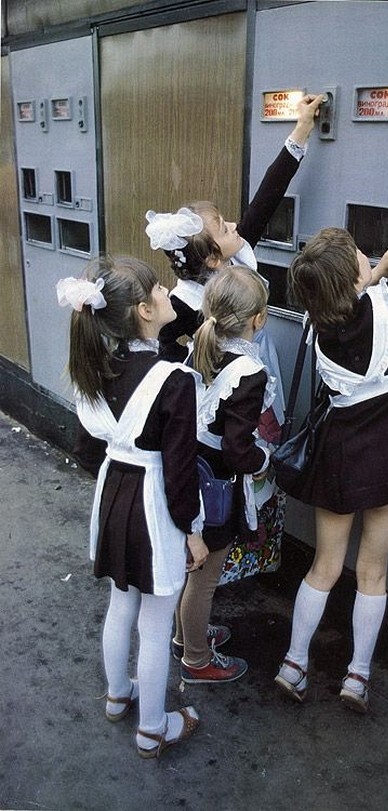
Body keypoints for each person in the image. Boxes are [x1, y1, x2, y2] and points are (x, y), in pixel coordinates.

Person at [274, 87, 388, 713]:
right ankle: (356, 676)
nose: (367, 255)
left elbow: (351, 296)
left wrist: (372, 275)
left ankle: (294, 664)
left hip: (341, 453)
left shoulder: (320, 319)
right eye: (361, 255)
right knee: (372, 572)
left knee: (324, 567)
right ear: (359, 275)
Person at [57, 256, 209, 758]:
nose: (167, 292)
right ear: (144, 310)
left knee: (121, 603)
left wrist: (120, 476)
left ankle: (118, 695)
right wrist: (192, 532)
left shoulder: (96, 369)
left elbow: (86, 449)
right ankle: (153, 728)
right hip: (155, 505)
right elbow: (180, 473)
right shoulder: (174, 379)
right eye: (158, 289)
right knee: (156, 621)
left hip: (114, 496)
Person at [144, 91, 324, 426]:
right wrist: (197, 371)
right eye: (225, 229)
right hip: (225, 391)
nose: (233, 225)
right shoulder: (183, 303)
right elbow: (162, 348)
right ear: (213, 258)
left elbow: (267, 196)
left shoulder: (235, 254)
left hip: (258, 361)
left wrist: (302, 128)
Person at [173, 265, 276, 684]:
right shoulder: (249, 372)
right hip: (215, 486)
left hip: (188, 471)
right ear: (259, 319)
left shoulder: (200, 347)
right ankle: (197, 659)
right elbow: (237, 448)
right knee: (205, 578)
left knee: (192, 573)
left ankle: (185, 636)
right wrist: (262, 459)